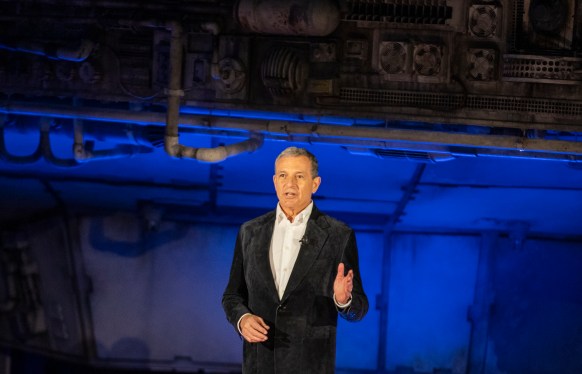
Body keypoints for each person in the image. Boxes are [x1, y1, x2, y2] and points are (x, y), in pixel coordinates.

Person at [222, 146, 368, 374]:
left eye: (299, 176)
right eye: (283, 175)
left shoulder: (339, 235)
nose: (289, 184)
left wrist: (343, 299)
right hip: (259, 364)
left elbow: (358, 308)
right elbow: (232, 296)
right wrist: (242, 319)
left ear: (315, 184)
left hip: (310, 365)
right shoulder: (249, 231)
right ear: (274, 181)